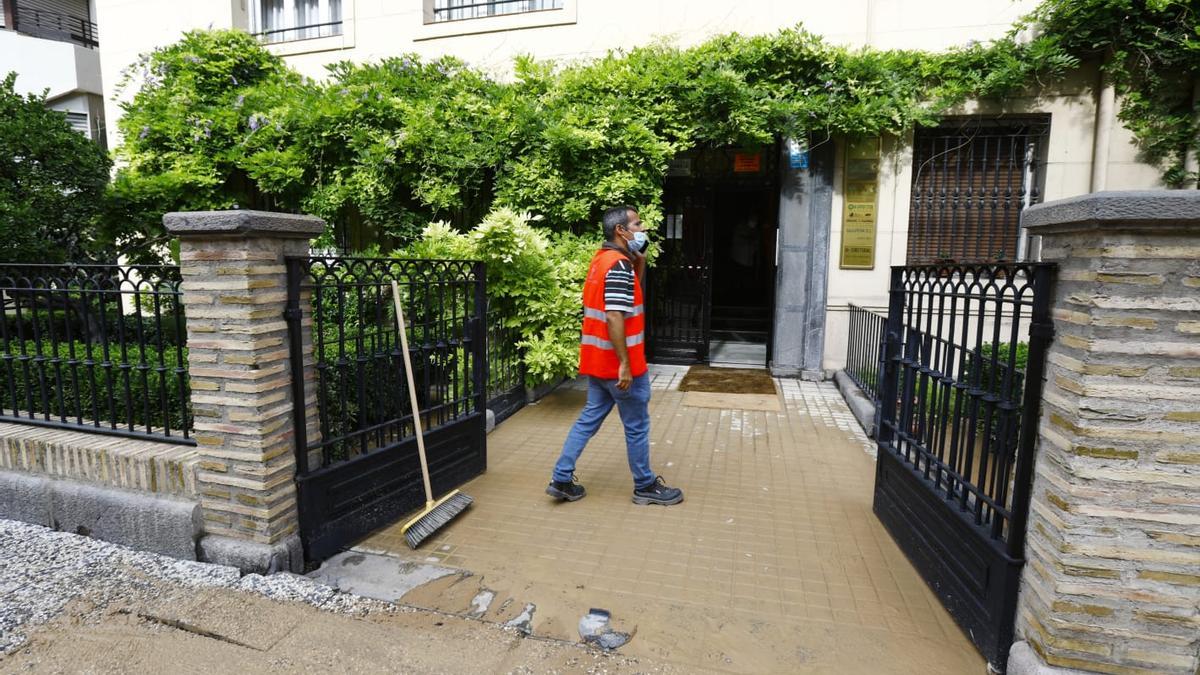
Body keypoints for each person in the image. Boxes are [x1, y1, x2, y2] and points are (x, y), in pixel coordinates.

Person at [546, 206, 684, 506]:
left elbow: (627, 290)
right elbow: (614, 315)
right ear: (621, 231)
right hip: (622, 368)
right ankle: (645, 485)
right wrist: (625, 364)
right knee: (636, 426)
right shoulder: (618, 265)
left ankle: (561, 478)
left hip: (597, 363)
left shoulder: (602, 260)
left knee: (587, 420)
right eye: (637, 224)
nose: (642, 228)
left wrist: (640, 259)